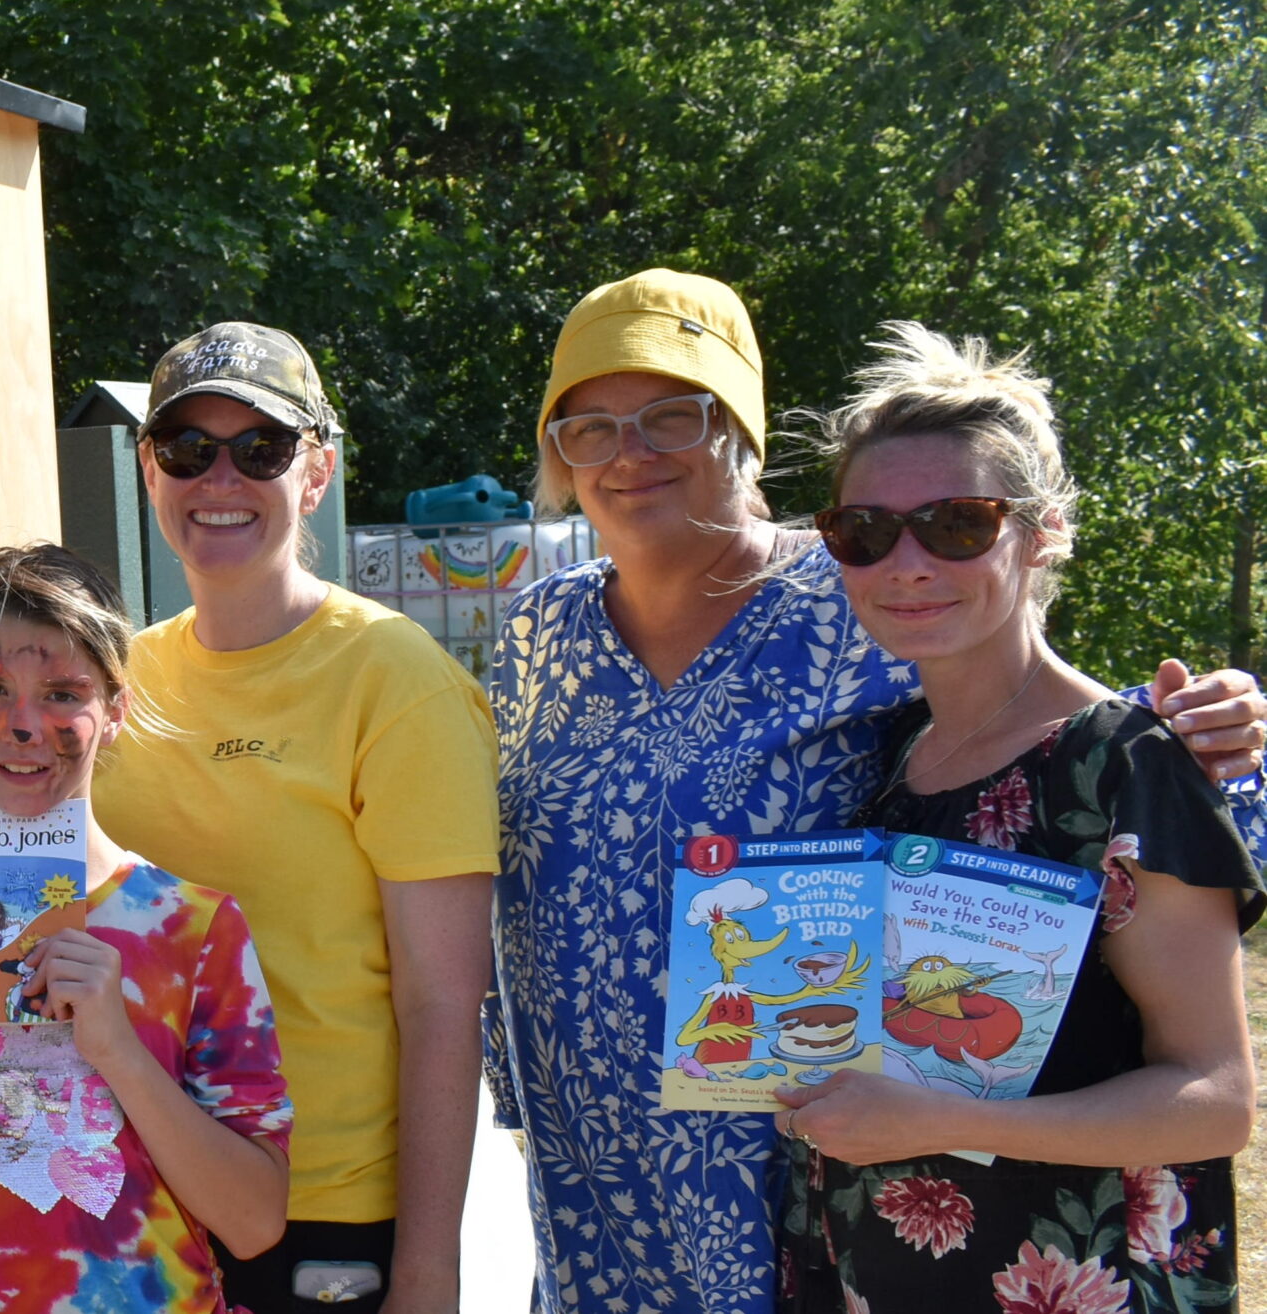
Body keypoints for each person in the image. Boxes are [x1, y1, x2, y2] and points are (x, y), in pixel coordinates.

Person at [481, 270, 1267, 1314]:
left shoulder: (851, 592)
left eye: (674, 416)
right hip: (611, 1179)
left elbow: (1034, 729)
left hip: (810, 1167)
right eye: (588, 427)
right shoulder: (542, 633)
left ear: (741, 437)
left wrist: (1214, 725)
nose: (631, 452)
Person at [765, 323, 1260, 1311]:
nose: (904, 563)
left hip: (1065, 1279)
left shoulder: (1128, 767)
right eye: (863, 531)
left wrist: (928, 1120)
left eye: (956, 524)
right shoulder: (877, 761)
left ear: (1043, 533)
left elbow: (1215, 1100)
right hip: (866, 1272)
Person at [90, 324, 499, 1313]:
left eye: (261, 449)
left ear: (316, 473)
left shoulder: (397, 682)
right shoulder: (112, 680)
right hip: (117, 1192)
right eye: (188, 449)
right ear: (149, 471)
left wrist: (427, 1273)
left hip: (323, 1215)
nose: (219, 478)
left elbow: (442, 1008)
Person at [0, 543, 294, 1313]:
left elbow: (256, 1219)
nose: (24, 726)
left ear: (117, 706)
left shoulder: (195, 929)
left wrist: (119, 1052)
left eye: (64, 693)